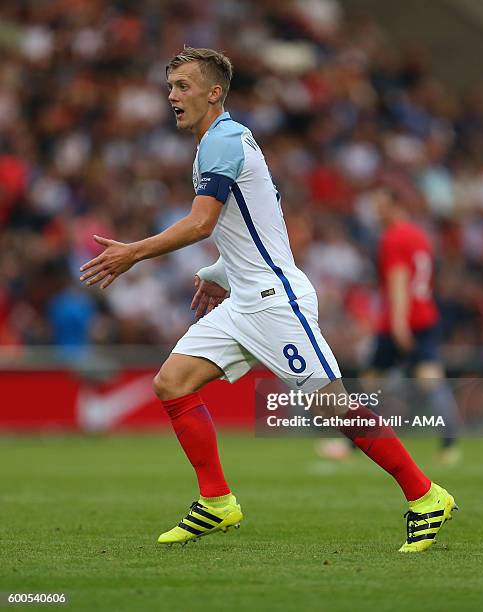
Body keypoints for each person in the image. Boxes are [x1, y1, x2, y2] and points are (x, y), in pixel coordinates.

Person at [79, 47, 457, 552]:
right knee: (172, 383)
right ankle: (216, 501)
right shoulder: (222, 140)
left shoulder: (223, 141)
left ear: (214, 92)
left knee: (334, 409)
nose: (172, 96)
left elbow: (202, 223)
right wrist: (219, 271)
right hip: (243, 301)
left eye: (183, 86)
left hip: (276, 303)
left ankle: (425, 494)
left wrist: (134, 253)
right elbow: (253, 226)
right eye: (170, 87)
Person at [319, 185, 461, 464]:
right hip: (426, 316)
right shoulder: (419, 235)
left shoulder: (393, 238)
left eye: (380, 204)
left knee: (371, 380)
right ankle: (450, 445)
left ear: (394, 204)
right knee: (431, 379)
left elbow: (398, 281)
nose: (375, 210)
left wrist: (397, 323)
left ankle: (354, 444)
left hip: (400, 320)